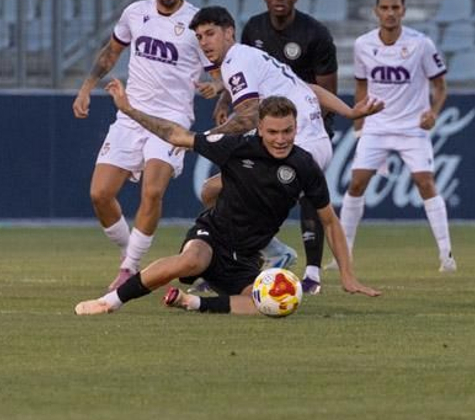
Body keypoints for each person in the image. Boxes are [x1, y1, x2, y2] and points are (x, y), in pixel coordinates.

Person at [75, 83, 379, 315]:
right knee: (192, 261)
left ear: (296, 128)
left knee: (276, 304)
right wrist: (128, 110)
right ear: (260, 128)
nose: (281, 138)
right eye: (273, 131)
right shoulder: (236, 147)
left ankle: (194, 303)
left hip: (245, 258)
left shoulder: (304, 166)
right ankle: (110, 302)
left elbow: (330, 221)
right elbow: (176, 135)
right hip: (212, 237)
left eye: (288, 131)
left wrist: (347, 276)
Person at [193, 5, 381, 292]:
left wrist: (205, 139)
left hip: (294, 143)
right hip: (311, 143)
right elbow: (309, 89)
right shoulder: (254, 58)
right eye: (199, 37)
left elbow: (249, 115)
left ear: (229, 32)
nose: (204, 42)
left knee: (221, 194)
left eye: (210, 34)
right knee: (214, 191)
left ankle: (264, 256)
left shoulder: (236, 61)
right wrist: (349, 112)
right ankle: (269, 256)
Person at [72, 0, 214, 289]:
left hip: (171, 120)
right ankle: (129, 255)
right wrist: (86, 88)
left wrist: (217, 86)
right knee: (100, 194)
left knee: (152, 191)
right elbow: (111, 52)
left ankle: (129, 268)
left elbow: (220, 65)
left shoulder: (196, 23)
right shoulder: (135, 14)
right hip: (131, 115)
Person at [340, 0, 456, 272]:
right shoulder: (363, 45)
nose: (390, 13)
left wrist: (433, 113)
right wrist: (359, 123)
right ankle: (343, 255)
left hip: (411, 126)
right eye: (385, 8)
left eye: (395, 8)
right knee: (356, 184)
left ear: (403, 10)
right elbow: (361, 85)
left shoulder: (421, 44)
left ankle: (446, 256)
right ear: (376, 11)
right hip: (377, 124)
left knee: (425, 182)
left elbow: (440, 86)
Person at [240, 0, 339, 287]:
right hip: (266, 129)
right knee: (243, 189)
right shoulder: (253, 29)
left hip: (306, 128)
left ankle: (313, 271)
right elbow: (246, 80)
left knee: (310, 189)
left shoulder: (315, 34)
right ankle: (260, 254)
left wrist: (310, 132)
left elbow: (326, 89)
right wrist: (226, 103)